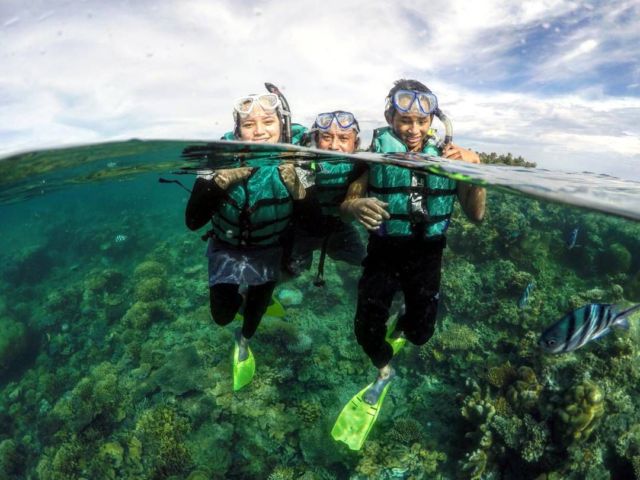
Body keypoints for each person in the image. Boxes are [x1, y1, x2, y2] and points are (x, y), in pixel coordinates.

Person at [331, 79, 486, 450]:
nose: (414, 130)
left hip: (428, 253)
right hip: (384, 251)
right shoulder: (372, 157)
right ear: (390, 117)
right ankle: (383, 372)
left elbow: (477, 215)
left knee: (421, 333)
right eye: (404, 121)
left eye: (422, 121)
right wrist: (353, 206)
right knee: (365, 331)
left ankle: (402, 326)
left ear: (433, 120)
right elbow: (347, 201)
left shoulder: (450, 157)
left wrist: (476, 171)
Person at [185, 88, 307, 391]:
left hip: (269, 250)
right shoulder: (217, 159)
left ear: (281, 125)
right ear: (237, 131)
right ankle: (240, 302)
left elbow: (313, 223)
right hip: (227, 247)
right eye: (249, 125)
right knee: (222, 316)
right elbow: (193, 221)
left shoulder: (298, 159)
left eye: (268, 122)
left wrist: (300, 189)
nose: (260, 132)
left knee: (255, 312)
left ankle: (244, 340)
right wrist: (221, 181)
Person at [285, 111, 367, 285]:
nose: (334, 146)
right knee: (290, 270)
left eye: (344, 139)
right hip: (302, 228)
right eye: (327, 137)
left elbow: (353, 199)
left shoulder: (362, 163)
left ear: (356, 143)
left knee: (365, 261)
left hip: (339, 229)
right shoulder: (303, 159)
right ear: (316, 138)